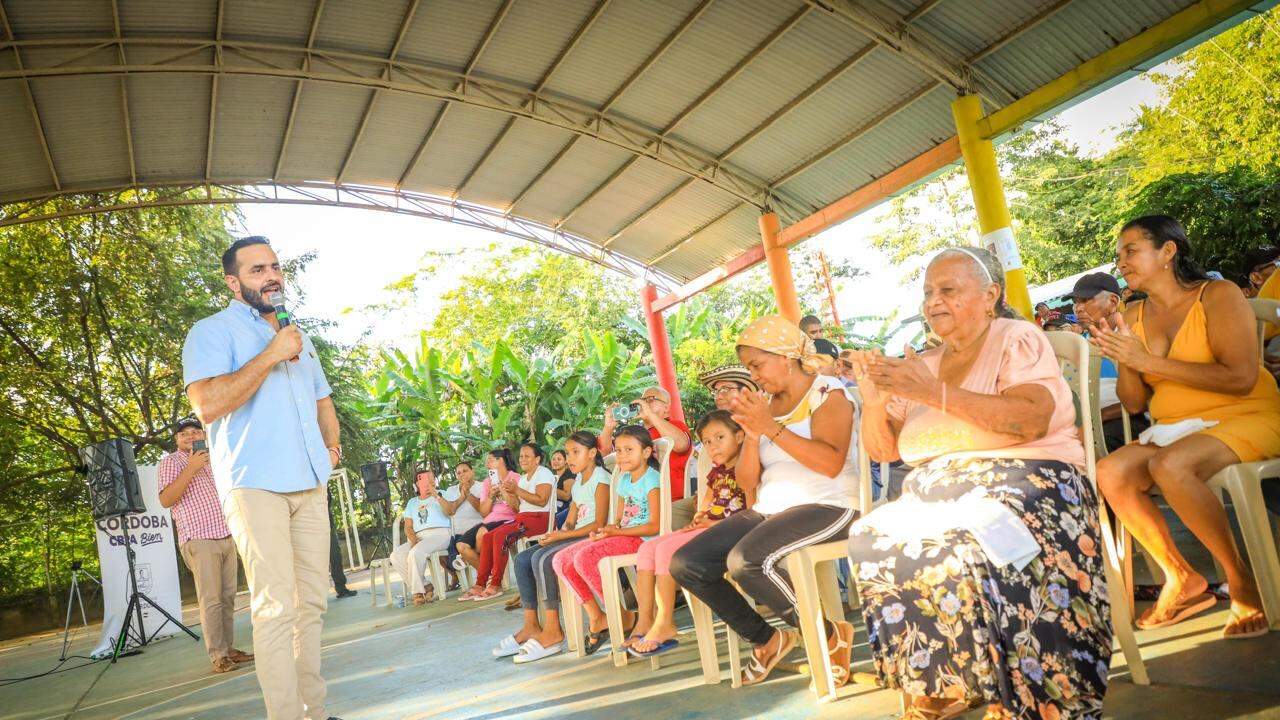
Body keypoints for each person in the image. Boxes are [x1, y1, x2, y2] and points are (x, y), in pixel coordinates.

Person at [847, 246, 1111, 720]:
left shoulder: (1015, 338)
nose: (933, 301)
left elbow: (1030, 421)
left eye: (948, 289)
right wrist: (874, 402)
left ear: (990, 295)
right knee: (870, 537)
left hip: (1030, 479)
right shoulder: (923, 362)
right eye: (928, 292)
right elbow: (883, 451)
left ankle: (1021, 691)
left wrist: (933, 393)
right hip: (938, 493)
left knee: (965, 539)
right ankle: (945, 677)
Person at [1093, 215, 1280, 641]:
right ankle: (1181, 577)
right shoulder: (1132, 313)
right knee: (1111, 471)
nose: (1122, 262)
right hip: (1176, 427)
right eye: (1119, 255)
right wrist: (1124, 357)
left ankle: (1239, 580)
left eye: (1131, 250)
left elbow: (1240, 378)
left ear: (1168, 251)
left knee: (1170, 465)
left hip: (1246, 414)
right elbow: (1135, 403)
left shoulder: (1218, 294)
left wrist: (1148, 361)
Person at [184, 236, 342, 720]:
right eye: (257, 270)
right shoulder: (212, 331)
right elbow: (207, 404)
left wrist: (332, 451)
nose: (271, 275)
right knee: (276, 607)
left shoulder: (298, 335)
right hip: (256, 485)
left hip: (309, 482)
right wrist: (271, 354)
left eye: (274, 266)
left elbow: (322, 400)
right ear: (233, 283)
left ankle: (314, 712)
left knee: (311, 604)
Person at [670, 315, 859, 689]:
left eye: (757, 365)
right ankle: (767, 639)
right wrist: (753, 434)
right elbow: (747, 482)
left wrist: (769, 427)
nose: (753, 376)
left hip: (830, 504)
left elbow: (830, 463)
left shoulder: (829, 393)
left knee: (746, 561)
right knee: (688, 563)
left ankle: (827, 637)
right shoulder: (767, 405)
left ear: (785, 357)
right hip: (771, 508)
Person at [628, 410, 751, 657]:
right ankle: (645, 619)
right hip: (709, 528)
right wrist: (698, 518)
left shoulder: (746, 467)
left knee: (665, 549)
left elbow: (751, 512)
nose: (713, 446)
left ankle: (665, 621)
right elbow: (706, 502)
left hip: (731, 530)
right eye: (707, 441)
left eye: (720, 437)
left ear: (739, 436)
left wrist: (710, 524)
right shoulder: (717, 472)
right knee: (647, 548)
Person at [493, 431, 612, 663]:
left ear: (592, 453)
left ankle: (553, 630)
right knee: (523, 559)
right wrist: (557, 534)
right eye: (568, 453)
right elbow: (571, 520)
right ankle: (531, 625)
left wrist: (563, 535)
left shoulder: (601, 479)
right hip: (577, 534)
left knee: (544, 559)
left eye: (575, 452)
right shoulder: (579, 481)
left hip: (593, 537)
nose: (569, 458)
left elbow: (598, 523)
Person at [553, 426, 663, 655]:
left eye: (629, 450)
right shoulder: (623, 481)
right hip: (625, 536)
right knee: (561, 560)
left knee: (584, 558)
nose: (621, 456)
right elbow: (620, 522)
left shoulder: (652, 480)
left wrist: (616, 532)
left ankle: (620, 618)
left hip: (643, 540)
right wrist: (607, 531)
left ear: (646, 452)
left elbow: (655, 526)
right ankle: (599, 617)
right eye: (618, 450)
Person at [157, 417, 253, 674]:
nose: (190, 435)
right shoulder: (171, 462)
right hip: (199, 538)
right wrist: (191, 467)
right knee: (211, 600)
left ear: (203, 434)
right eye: (184, 433)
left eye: (195, 431)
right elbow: (166, 500)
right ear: (177, 439)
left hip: (226, 534)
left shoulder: (216, 459)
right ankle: (218, 656)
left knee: (227, 598)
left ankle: (229, 650)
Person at [1071, 271, 1152, 451]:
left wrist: (1102, 415)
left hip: (1128, 420)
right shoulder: (1078, 346)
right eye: (1075, 302)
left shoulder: (1135, 338)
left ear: (1113, 302)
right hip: (1089, 421)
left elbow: (1150, 395)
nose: (1078, 308)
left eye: (1086, 300)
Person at [464, 443, 556, 601]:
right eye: (521, 456)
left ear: (537, 459)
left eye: (527, 456)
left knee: (501, 536)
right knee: (488, 537)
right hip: (523, 518)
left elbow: (542, 501)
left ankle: (496, 585)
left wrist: (517, 490)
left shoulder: (543, 473)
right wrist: (505, 492)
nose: (523, 459)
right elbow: (516, 507)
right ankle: (480, 584)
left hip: (541, 518)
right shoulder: (523, 478)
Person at [601, 386, 692, 526]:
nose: (644, 403)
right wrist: (608, 428)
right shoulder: (635, 435)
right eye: (642, 400)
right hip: (635, 508)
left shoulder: (675, 426)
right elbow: (606, 458)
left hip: (668, 502)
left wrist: (651, 415)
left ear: (666, 408)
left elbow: (681, 444)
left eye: (650, 399)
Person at [450, 450, 519, 596]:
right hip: (489, 520)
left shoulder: (515, 478)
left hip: (509, 519)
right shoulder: (488, 483)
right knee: (461, 545)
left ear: (501, 461)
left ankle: (484, 581)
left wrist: (503, 491)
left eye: (490, 460)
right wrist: (491, 496)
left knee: (482, 534)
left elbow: (517, 508)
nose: (487, 464)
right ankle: (491, 577)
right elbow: (484, 513)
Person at [389, 468, 453, 605]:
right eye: (425, 478)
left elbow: (451, 511)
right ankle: (425, 585)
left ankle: (417, 592)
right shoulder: (412, 502)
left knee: (416, 552)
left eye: (431, 477)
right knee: (396, 556)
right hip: (420, 537)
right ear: (417, 484)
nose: (429, 480)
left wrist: (436, 496)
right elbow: (408, 526)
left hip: (440, 534)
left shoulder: (442, 493)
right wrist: (413, 540)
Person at [439, 461, 482, 589]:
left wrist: (468, 493)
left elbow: (482, 509)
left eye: (465, 471)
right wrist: (462, 498)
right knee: (441, 552)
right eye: (458, 473)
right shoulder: (451, 490)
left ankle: (484, 576)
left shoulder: (481, 487)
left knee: (461, 549)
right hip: (458, 534)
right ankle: (456, 574)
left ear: (472, 471)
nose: (462, 474)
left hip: (477, 530)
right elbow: (450, 511)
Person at [326, 488, 357, 600]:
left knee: (335, 555)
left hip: (326, 523)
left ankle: (341, 588)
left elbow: (328, 499)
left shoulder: (322, 483)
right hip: (307, 525)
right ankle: (314, 595)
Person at [550, 449, 575, 529]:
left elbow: (567, 496)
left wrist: (550, 488)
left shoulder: (569, 474)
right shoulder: (553, 477)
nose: (555, 461)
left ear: (565, 461)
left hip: (567, 509)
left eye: (559, 459)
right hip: (555, 507)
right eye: (553, 459)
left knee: (550, 523)